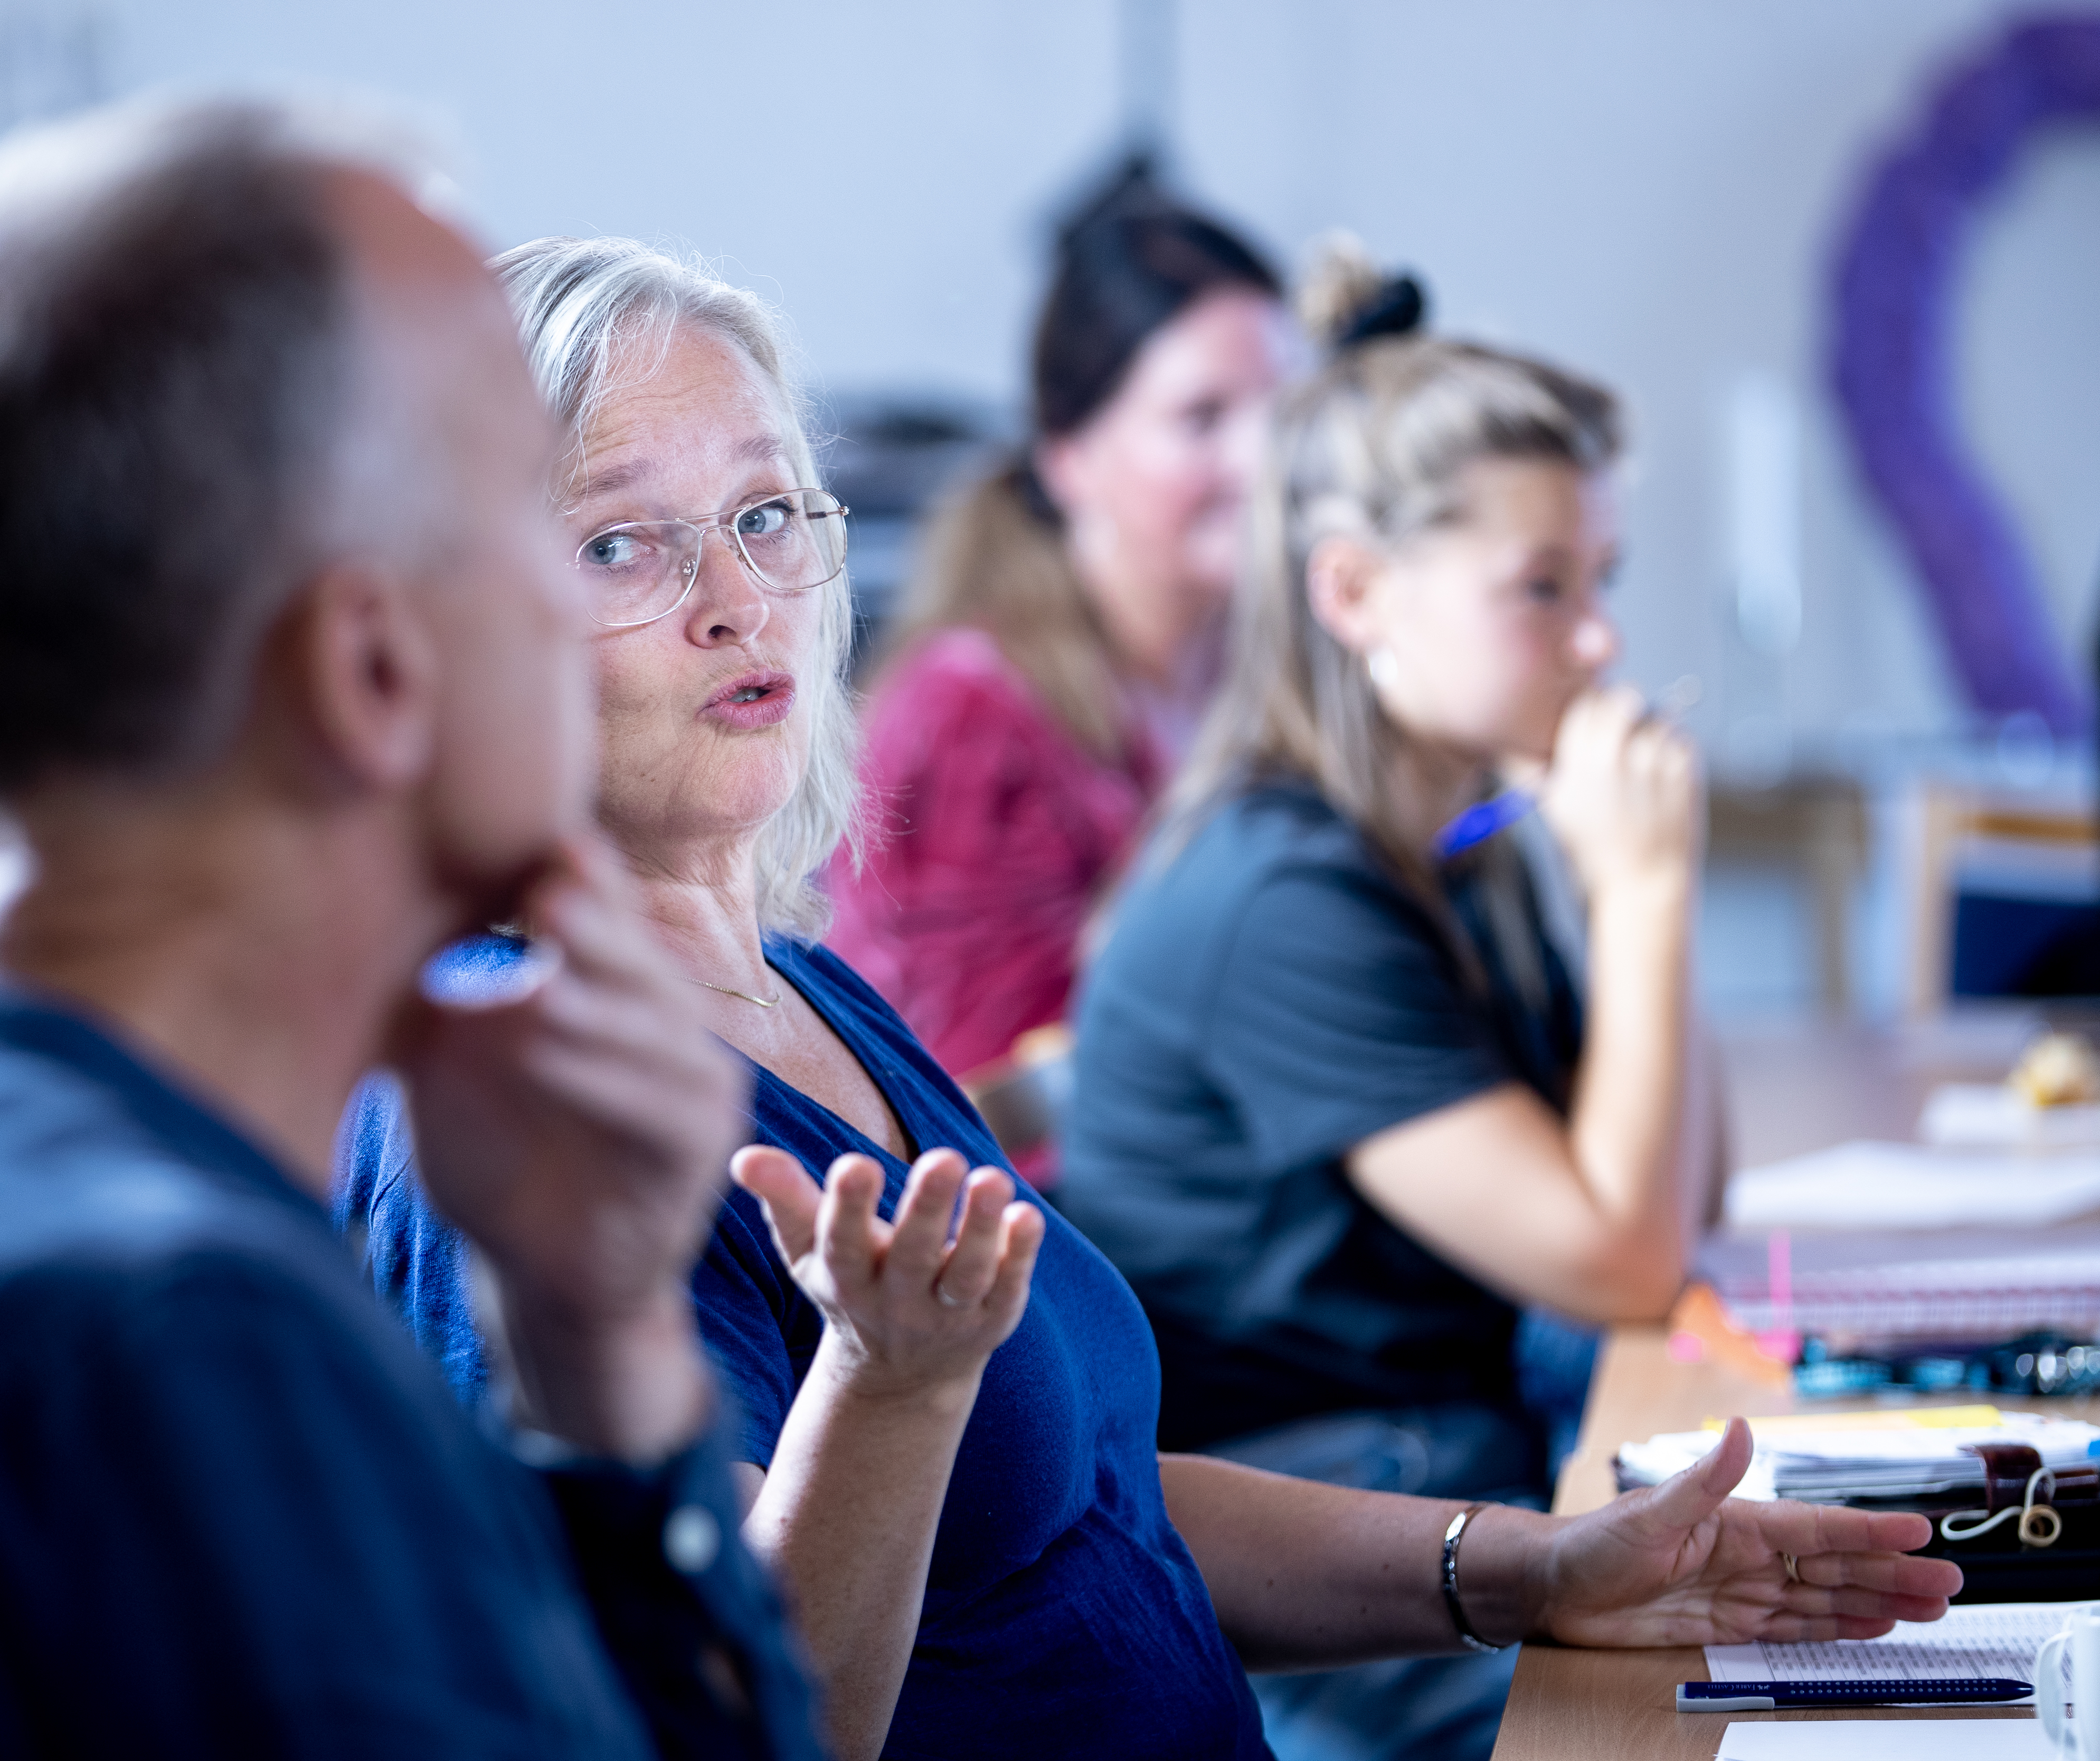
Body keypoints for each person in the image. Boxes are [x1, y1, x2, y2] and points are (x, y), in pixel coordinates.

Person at [342, 236, 1955, 1761]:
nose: (735, 596)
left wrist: (1532, 1570)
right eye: (621, 542)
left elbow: (1091, 1503)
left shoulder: (810, 997)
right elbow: (745, 1717)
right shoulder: (506, 1090)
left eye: (767, 514)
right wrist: (883, 1388)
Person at [0, 96, 822, 1760]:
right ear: (375, 669)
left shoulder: (5, 1195)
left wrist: (594, 1349)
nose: (717, 601)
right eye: (558, 528)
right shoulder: (153, 1358)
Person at [1052, 242, 1722, 1761]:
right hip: (1326, 1560)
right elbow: (1621, 1258)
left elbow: (1677, 1193)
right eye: (1540, 588)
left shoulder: (1458, 839)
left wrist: (1629, 900)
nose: (1599, 639)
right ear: (1353, 591)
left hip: (1454, 1465)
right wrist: (1647, 899)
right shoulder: (1282, 899)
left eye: (1600, 580)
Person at [822, 159, 1294, 1084]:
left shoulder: (1262, 672)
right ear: (1071, 457)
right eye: (1203, 419)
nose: (1266, 465)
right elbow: (984, 1113)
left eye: (1290, 414)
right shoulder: (968, 723)